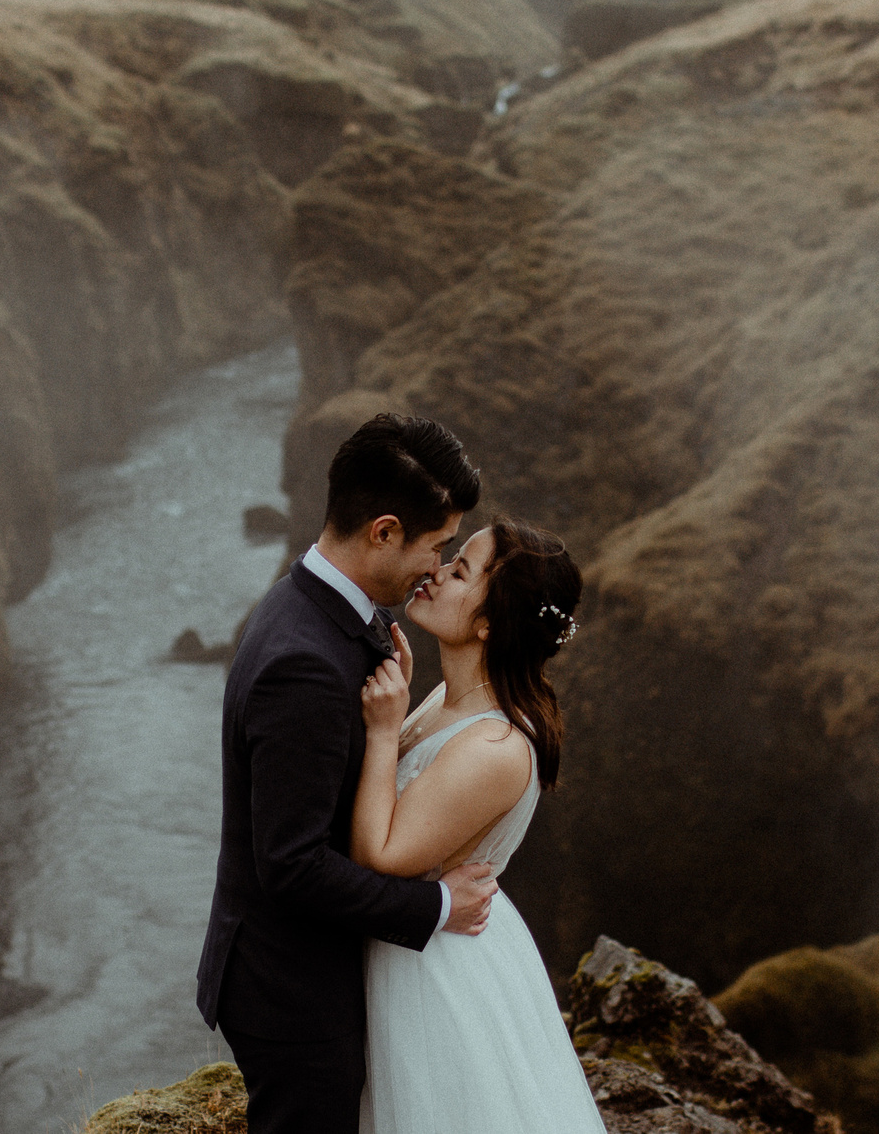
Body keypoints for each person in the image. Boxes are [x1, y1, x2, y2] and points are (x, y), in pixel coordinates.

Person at [197, 413, 500, 1134]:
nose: (437, 567)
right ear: (384, 531)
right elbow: (292, 865)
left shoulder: (322, 608)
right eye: (437, 546)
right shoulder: (302, 662)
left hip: (303, 971)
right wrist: (434, 908)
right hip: (291, 991)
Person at [352, 515, 598, 1132]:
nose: (435, 571)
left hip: (434, 972)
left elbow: (380, 854)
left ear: (489, 624)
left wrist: (384, 732)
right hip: (412, 941)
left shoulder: (496, 744)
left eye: (459, 570)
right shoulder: (447, 698)